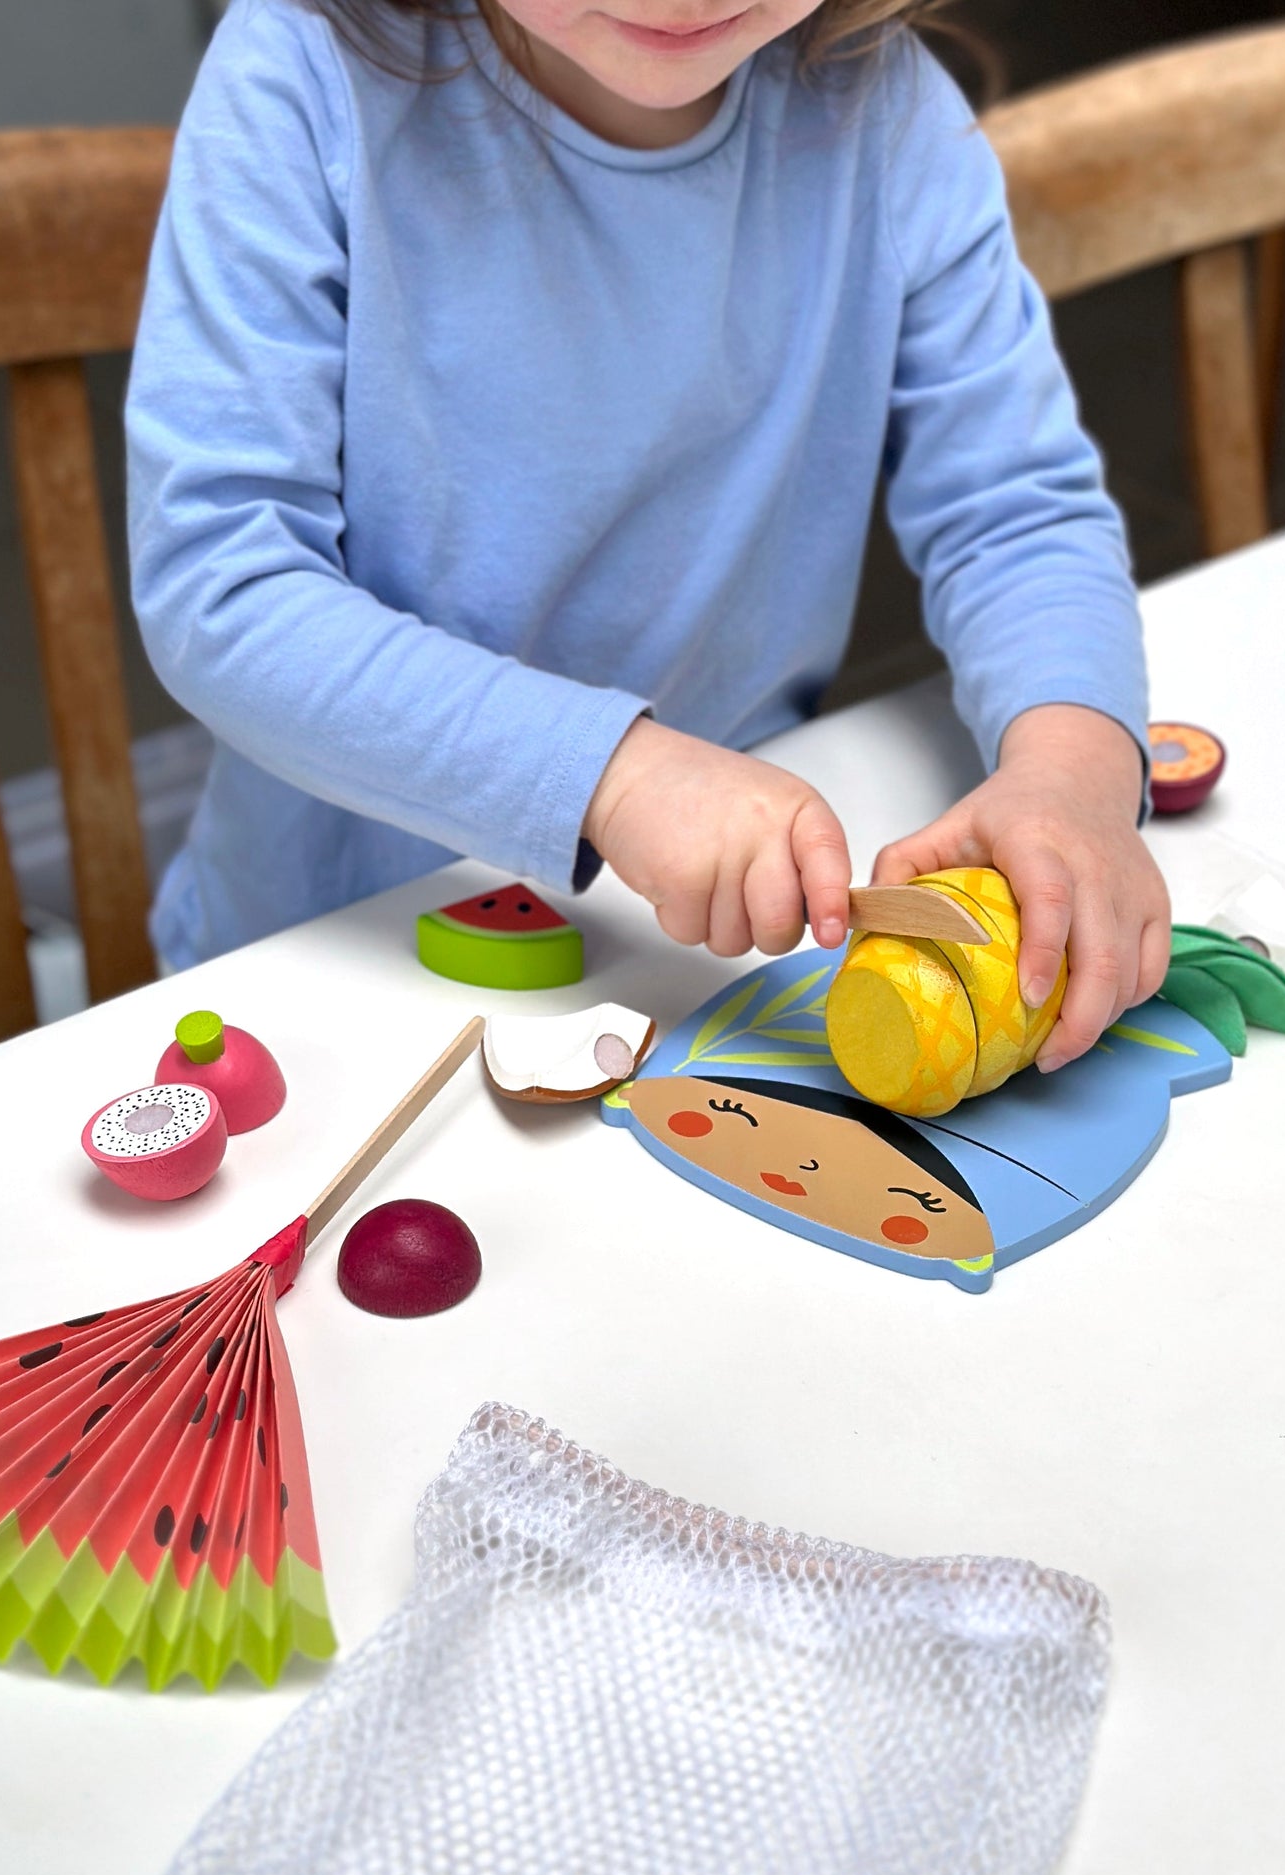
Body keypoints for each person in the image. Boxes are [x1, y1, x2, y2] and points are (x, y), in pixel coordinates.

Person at [127, 0, 1170, 1075]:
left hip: (701, 977)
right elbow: (224, 588)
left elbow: (1015, 511)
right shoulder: (302, 68)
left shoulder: (885, 105)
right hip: (334, 966)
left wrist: (1072, 776)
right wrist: (613, 778)